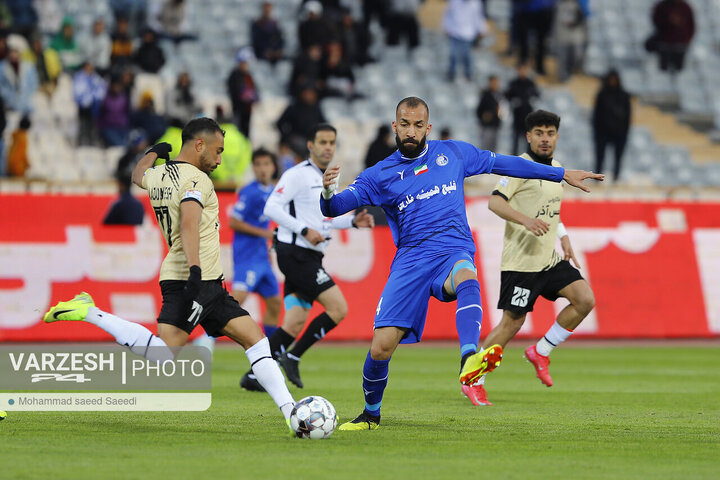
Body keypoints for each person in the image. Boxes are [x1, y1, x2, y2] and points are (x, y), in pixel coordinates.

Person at [319, 97, 603, 430]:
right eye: (405, 124)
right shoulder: (380, 174)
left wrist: (559, 173)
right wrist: (327, 192)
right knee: (381, 347)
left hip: (453, 249)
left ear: (428, 127)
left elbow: (507, 164)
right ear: (395, 126)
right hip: (411, 260)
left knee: (467, 277)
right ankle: (371, 414)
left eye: (418, 124)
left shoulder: (453, 154)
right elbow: (334, 207)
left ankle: (469, 357)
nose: (411, 131)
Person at [43, 118, 296, 429]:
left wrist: (153, 151)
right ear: (199, 145)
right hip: (192, 278)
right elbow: (190, 223)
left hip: (208, 282)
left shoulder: (159, 174)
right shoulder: (197, 180)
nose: (219, 160)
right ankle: (90, 311)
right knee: (165, 356)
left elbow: (137, 175)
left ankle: (292, 413)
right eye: (217, 152)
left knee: (257, 342)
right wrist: (194, 268)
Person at [473, 110, 596, 405]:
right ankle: (474, 378)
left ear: (556, 137)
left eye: (550, 133)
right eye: (539, 133)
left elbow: (551, 208)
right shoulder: (518, 167)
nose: (545, 138)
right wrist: (524, 220)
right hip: (521, 264)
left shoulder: (557, 170)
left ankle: (541, 351)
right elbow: (494, 203)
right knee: (510, 325)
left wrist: (563, 237)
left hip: (548, 259)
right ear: (528, 136)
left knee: (585, 299)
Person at [263, 123, 375, 389]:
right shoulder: (297, 175)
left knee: (294, 323)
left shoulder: (325, 178)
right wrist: (303, 230)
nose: (327, 147)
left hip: (310, 255)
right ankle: (293, 356)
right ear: (310, 145)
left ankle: (257, 374)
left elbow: (323, 221)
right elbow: (272, 207)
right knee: (338, 308)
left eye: (331, 142)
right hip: (295, 254)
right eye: (322, 142)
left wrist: (351, 223)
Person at [228, 149, 283, 391]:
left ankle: (269, 354)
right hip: (247, 258)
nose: (262, 168)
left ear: (273, 167)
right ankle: (203, 341)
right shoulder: (249, 192)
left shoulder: (272, 191)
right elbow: (233, 221)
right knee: (233, 302)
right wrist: (265, 234)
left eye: (266, 164)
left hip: (262, 258)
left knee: (274, 303)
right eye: (258, 164)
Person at [592, 69, 631, 182]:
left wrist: (624, 131)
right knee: (599, 156)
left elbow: (627, 116)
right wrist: (597, 131)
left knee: (618, 157)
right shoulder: (602, 95)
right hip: (602, 132)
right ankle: (597, 178)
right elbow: (596, 114)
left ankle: (616, 178)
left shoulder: (624, 96)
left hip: (619, 132)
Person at [443, 0, 487, 81]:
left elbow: (478, 18)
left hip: (468, 34)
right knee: (453, 55)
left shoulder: (476, 3)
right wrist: (447, 27)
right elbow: (447, 15)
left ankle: (468, 75)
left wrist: (482, 30)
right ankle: (451, 74)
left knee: (467, 56)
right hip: (455, 32)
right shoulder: (454, 1)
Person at [650, 0, 695, 74]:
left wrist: (686, 39)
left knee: (679, 70)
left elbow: (691, 26)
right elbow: (657, 21)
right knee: (663, 70)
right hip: (665, 43)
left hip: (680, 44)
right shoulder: (662, 6)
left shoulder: (685, 7)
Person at [506, 64, 539, 155]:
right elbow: (507, 96)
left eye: (524, 70)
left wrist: (531, 100)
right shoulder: (514, 83)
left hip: (528, 116)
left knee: (529, 139)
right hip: (517, 115)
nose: (523, 72)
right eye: (521, 70)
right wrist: (514, 101)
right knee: (515, 140)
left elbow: (537, 95)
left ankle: (529, 158)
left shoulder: (530, 83)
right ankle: (514, 158)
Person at [227, 47, 258, 138]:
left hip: (247, 110)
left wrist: (253, 96)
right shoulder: (235, 75)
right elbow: (235, 92)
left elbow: (254, 89)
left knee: (246, 132)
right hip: (238, 109)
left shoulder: (248, 75)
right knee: (238, 130)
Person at [476, 75, 502, 151]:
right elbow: (479, 110)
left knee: (494, 150)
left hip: (496, 124)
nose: (495, 84)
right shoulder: (485, 95)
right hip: (486, 126)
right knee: (485, 149)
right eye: (493, 82)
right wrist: (483, 116)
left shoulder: (499, 95)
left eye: (496, 82)